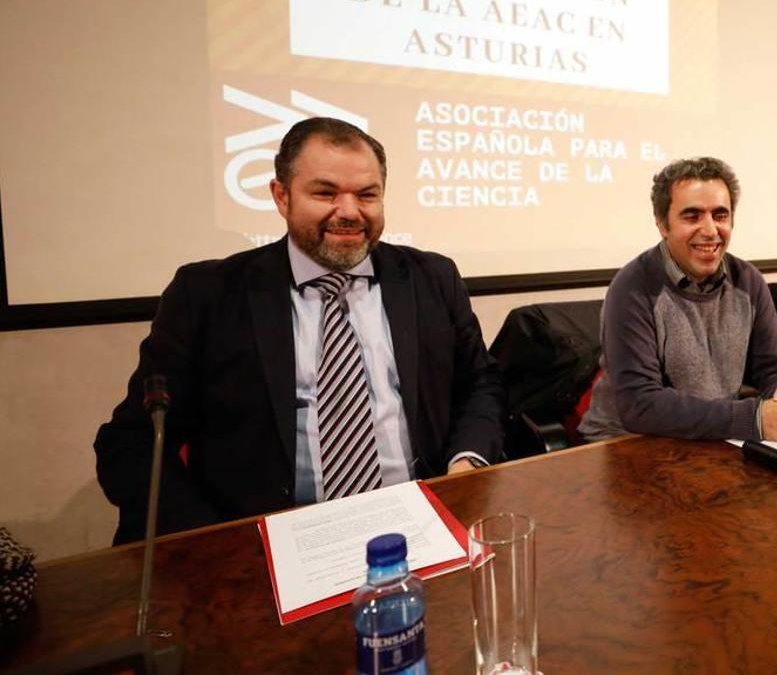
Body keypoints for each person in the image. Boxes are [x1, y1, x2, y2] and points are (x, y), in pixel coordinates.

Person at [95, 117, 504, 543]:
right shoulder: (208, 295)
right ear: (281, 196)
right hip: (271, 544)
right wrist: (217, 545)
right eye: (325, 192)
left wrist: (464, 467)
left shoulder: (431, 277)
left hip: (419, 523)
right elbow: (134, 443)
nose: (349, 211)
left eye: (367, 194)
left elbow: (480, 384)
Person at [577, 157, 777, 443]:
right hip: (627, 442)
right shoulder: (632, 288)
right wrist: (752, 419)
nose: (711, 230)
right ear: (663, 224)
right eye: (692, 216)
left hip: (712, 437)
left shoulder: (748, 280)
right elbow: (640, 405)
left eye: (720, 215)